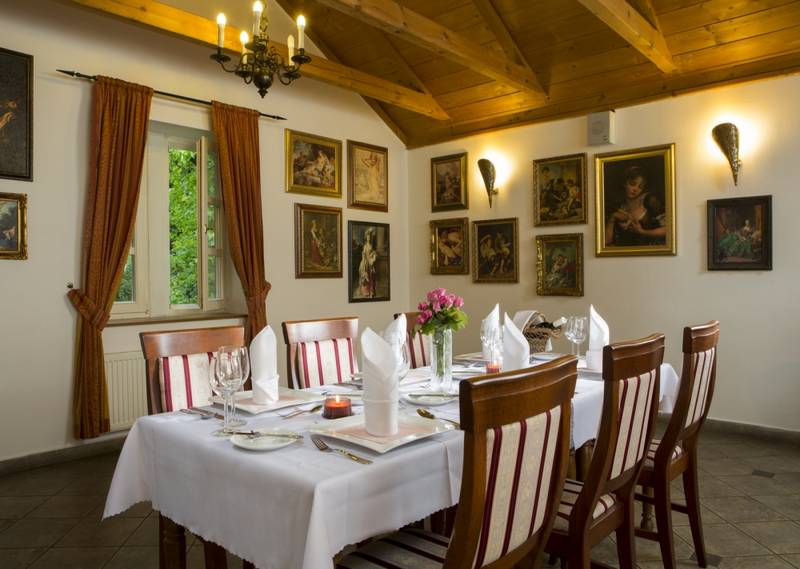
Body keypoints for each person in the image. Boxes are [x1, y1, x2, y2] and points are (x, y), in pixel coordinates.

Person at [604, 165, 666, 247]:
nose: (635, 189)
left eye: (640, 187)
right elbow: (606, 241)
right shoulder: (618, 206)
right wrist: (612, 218)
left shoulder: (649, 200)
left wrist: (642, 232)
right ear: (624, 183)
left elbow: (667, 230)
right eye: (632, 184)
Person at [357, 228, 377, 298]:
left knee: (371, 276)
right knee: (365, 275)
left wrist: (373, 257)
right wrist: (364, 261)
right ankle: (366, 291)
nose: (369, 238)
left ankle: (371, 291)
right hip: (365, 261)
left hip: (370, 261)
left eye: (369, 237)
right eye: (368, 237)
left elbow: (373, 253)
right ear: (366, 238)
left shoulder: (371, 245)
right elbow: (363, 254)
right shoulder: (365, 246)